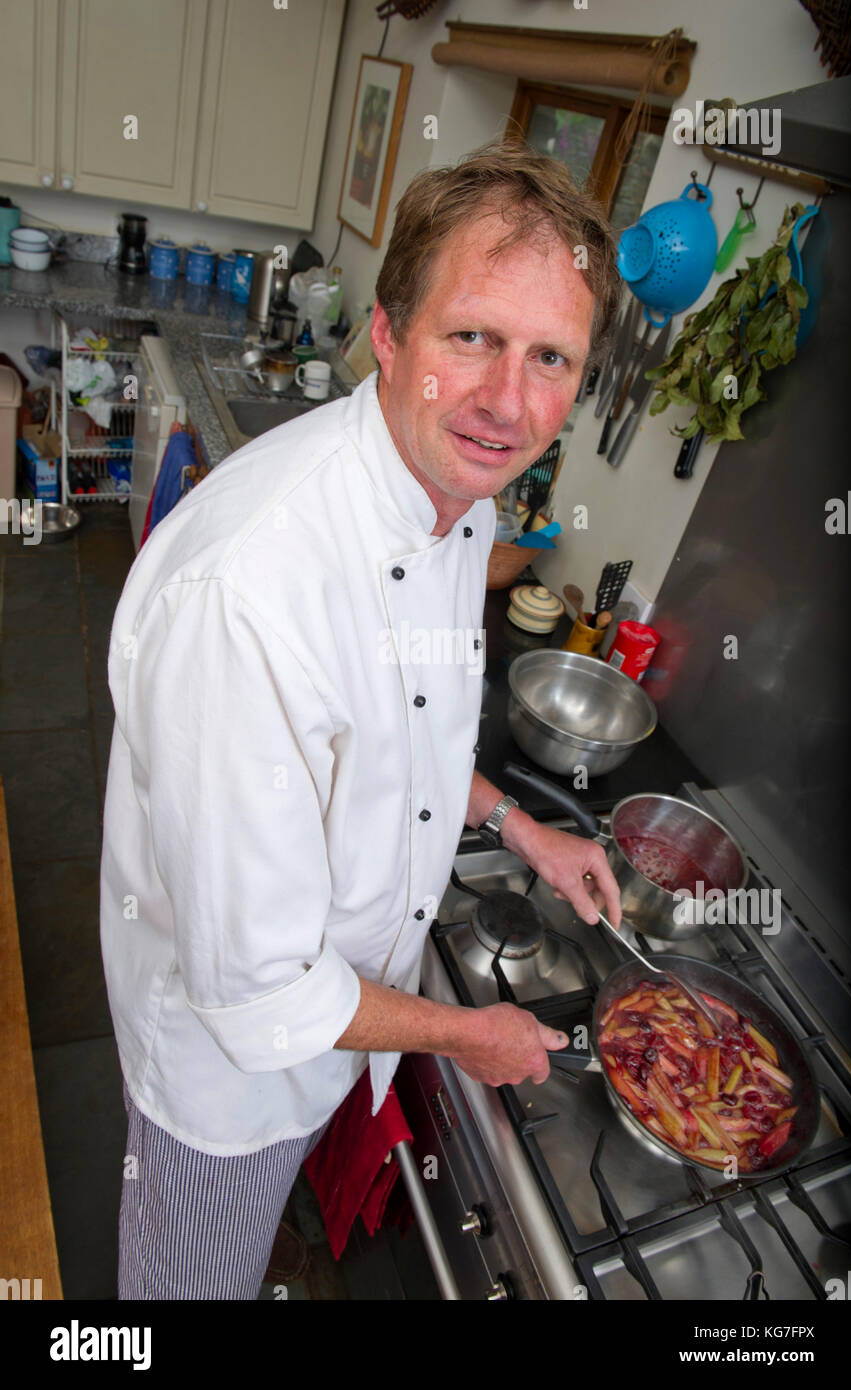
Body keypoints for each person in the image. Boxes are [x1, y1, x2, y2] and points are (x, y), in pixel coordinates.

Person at [100, 138, 623, 1300]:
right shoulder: (248, 598)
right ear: (387, 335)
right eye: (472, 336)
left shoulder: (461, 497)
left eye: (551, 357)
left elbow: (408, 726)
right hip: (225, 1080)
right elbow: (262, 995)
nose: (507, 398)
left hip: (331, 1037)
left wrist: (516, 823)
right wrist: (464, 1033)